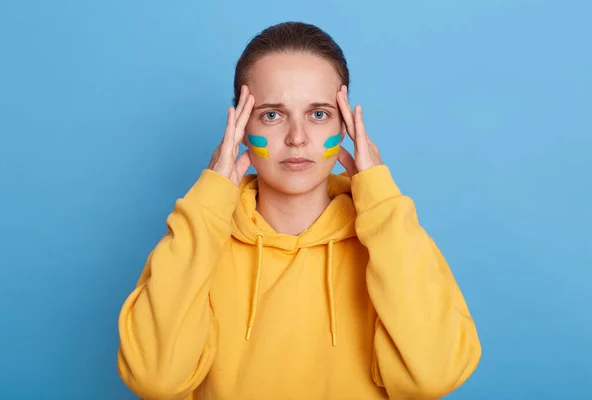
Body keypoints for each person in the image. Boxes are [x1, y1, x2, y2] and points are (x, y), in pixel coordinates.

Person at [116, 21, 481, 400]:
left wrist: (381, 200)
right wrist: (208, 202)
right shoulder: (201, 239)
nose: (297, 138)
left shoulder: (388, 239)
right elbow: (154, 380)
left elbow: (435, 377)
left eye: (319, 114)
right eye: (272, 115)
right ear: (239, 128)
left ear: (345, 127)